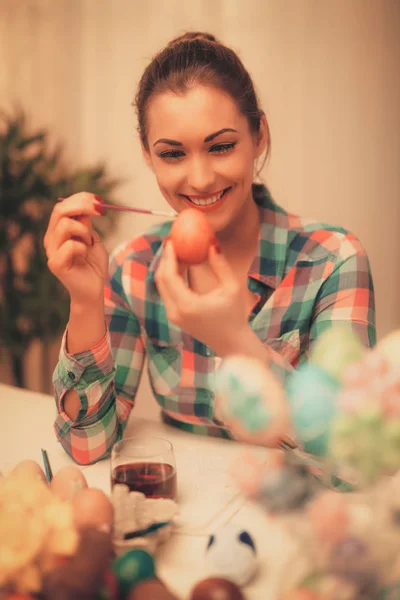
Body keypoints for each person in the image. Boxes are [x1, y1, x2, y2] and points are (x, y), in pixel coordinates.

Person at [44, 32, 376, 465]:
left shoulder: (333, 261)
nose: (200, 179)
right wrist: (86, 302)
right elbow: (87, 446)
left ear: (258, 136)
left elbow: (355, 461)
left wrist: (235, 340)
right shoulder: (134, 266)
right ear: (148, 155)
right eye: (173, 154)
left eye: (221, 146)